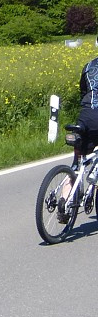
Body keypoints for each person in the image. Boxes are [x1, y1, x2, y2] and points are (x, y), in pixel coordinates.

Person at [58, 46, 98, 221]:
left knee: (77, 163)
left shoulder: (88, 66)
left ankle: (63, 201)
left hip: (85, 116)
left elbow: (83, 91)